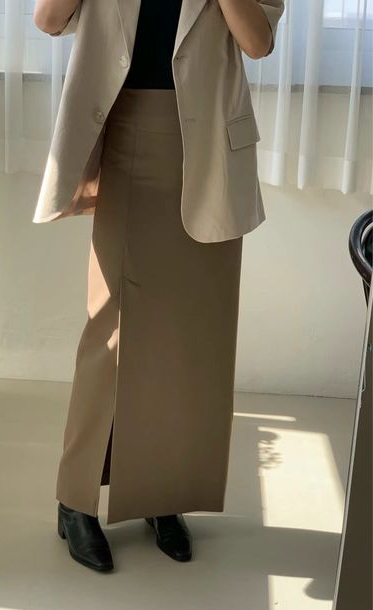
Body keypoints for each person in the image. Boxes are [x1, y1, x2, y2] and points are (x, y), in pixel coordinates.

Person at [33, 0, 285, 572]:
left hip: (210, 146)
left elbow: (257, 42)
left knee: (188, 334)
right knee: (111, 328)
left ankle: (160, 494)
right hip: (125, 132)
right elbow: (48, 20)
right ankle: (75, 501)